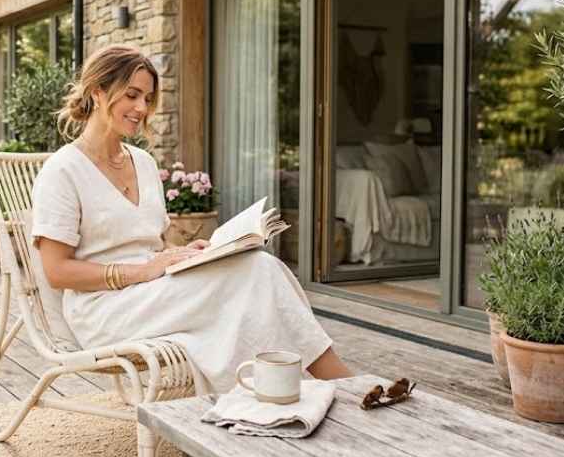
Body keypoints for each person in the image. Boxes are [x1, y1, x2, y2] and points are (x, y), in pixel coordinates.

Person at [31, 44, 352, 393]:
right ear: (97, 92)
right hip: (105, 310)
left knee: (260, 265)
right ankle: (334, 384)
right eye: (132, 95)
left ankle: (280, 390)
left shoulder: (143, 162)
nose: (142, 108)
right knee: (256, 274)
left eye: (148, 98)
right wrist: (143, 271)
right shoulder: (63, 170)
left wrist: (189, 253)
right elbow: (57, 271)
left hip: (154, 291)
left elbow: (154, 242)